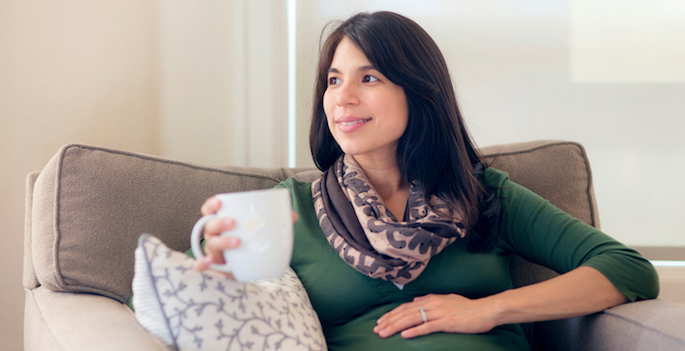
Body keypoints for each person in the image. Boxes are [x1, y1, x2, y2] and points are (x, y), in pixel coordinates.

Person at [194, 11, 659, 351]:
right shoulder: (289, 209)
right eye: (333, 81)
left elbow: (626, 268)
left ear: (419, 91)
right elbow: (164, 304)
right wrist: (217, 277)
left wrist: (487, 309)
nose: (342, 98)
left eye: (369, 77)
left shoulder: (482, 194)